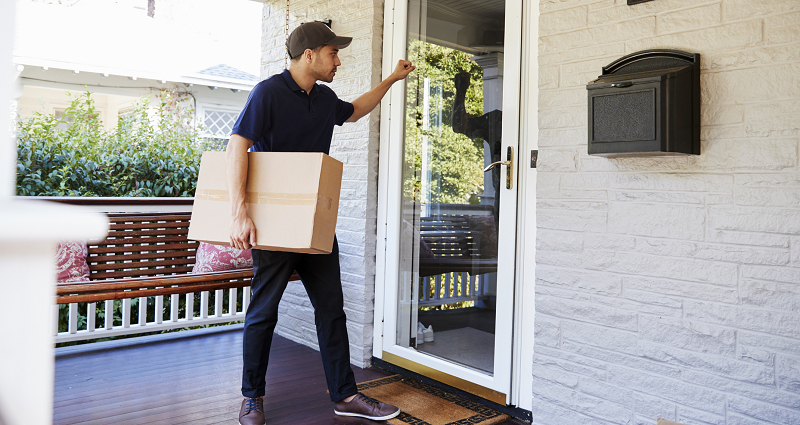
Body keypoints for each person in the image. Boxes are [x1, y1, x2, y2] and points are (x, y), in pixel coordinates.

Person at [226, 21, 415, 425]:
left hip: (315, 224)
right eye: (333, 52)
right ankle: (252, 397)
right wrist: (239, 211)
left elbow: (356, 110)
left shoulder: (325, 97)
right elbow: (237, 145)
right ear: (309, 54)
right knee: (264, 312)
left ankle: (345, 395)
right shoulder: (268, 93)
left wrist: (392, 79)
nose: (338, 60)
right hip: (274, 224)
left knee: (331, 310)